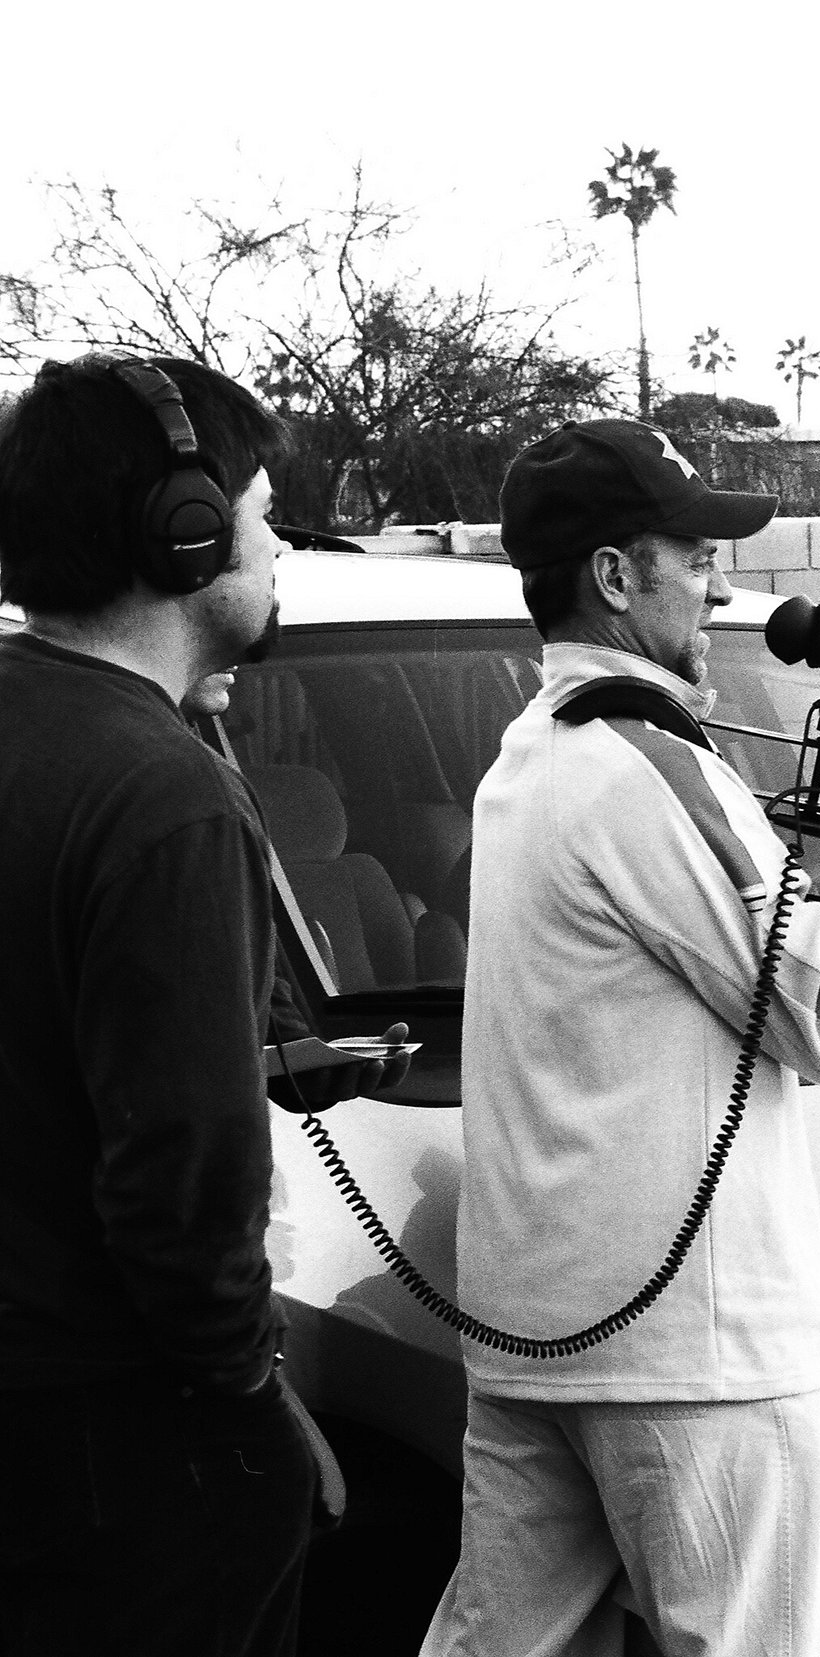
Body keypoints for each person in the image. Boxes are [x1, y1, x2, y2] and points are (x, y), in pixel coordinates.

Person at [420, 419, 820, 1657]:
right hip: (697, 1362)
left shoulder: (533, 756)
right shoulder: (646, 763)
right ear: (615, 576)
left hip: (543, 1340)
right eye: (694, 554)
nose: (721, 583)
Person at [0, 354, 400, 1656]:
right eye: (265, 511)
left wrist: (248, 1054)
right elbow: (176, 1202)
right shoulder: (162, 790)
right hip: (127, 1445)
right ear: (183, 531)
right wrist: (258, 1411)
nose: (277, 544)